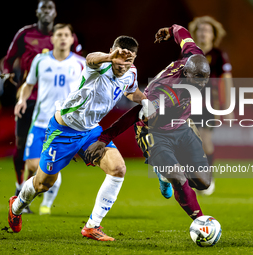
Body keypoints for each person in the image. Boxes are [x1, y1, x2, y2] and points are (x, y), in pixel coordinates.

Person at [8, 36, 155, 241]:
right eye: (119, 57)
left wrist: (145, 101)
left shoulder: (131, 73)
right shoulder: (99, 66)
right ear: (112, 50)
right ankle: (16, 207)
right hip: (63, 130)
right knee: (43, 184)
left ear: (134, 59)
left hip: (90, 131)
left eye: (128, 60)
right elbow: (90, 59)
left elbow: (131, 92)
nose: (122, 64)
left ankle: (92, 226)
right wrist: (110, 57)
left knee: (118, 169)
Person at [85, 24, 211, 222]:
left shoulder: (194, 56)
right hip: (153, 131)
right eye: (198, 80)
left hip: (181, 125)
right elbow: (134, 114)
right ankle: (201, 222)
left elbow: (182, 33)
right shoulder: (165, 92)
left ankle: (166, 169)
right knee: (177, 177)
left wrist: (169, 31)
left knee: (203, 182)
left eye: (205, 79)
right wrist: (104, 138)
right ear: (186, 74)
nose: (202, 84)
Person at [1, 0, 82, 213]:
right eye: (42, 7)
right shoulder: (27, 38)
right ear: (36, 12)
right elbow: (9, 60)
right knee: (23, 152)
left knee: (47, 160)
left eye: (50, 8)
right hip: (30, 102)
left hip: (61, 114)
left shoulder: (75, 55)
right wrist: (8, 74)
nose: (62, 39)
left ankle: (38, 192)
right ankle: (21, 186)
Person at [188, 16, 234, 195]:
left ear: (213, 35)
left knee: (206, 142)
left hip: (209, 105)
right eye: (200, 30)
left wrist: (228, 106)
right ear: (195, 34)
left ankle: (208, 177)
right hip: (189, 103)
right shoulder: (188, 54)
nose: (203, 33)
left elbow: (227, 82)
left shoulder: (218, 55)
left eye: (207, 30)